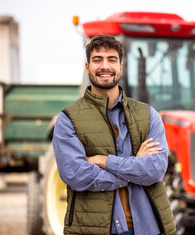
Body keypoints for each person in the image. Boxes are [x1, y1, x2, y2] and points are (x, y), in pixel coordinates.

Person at [52, 34, 176, 235]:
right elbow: (75, 174)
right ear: (87, 67)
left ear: (121, 66)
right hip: (96, 229)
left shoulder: (148, 115)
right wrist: (134, 168)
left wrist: (104, 161)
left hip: (147, 228)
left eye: (111, 59)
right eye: (97, 59)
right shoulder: (68, 119)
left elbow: (155, 169)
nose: (105, 66)